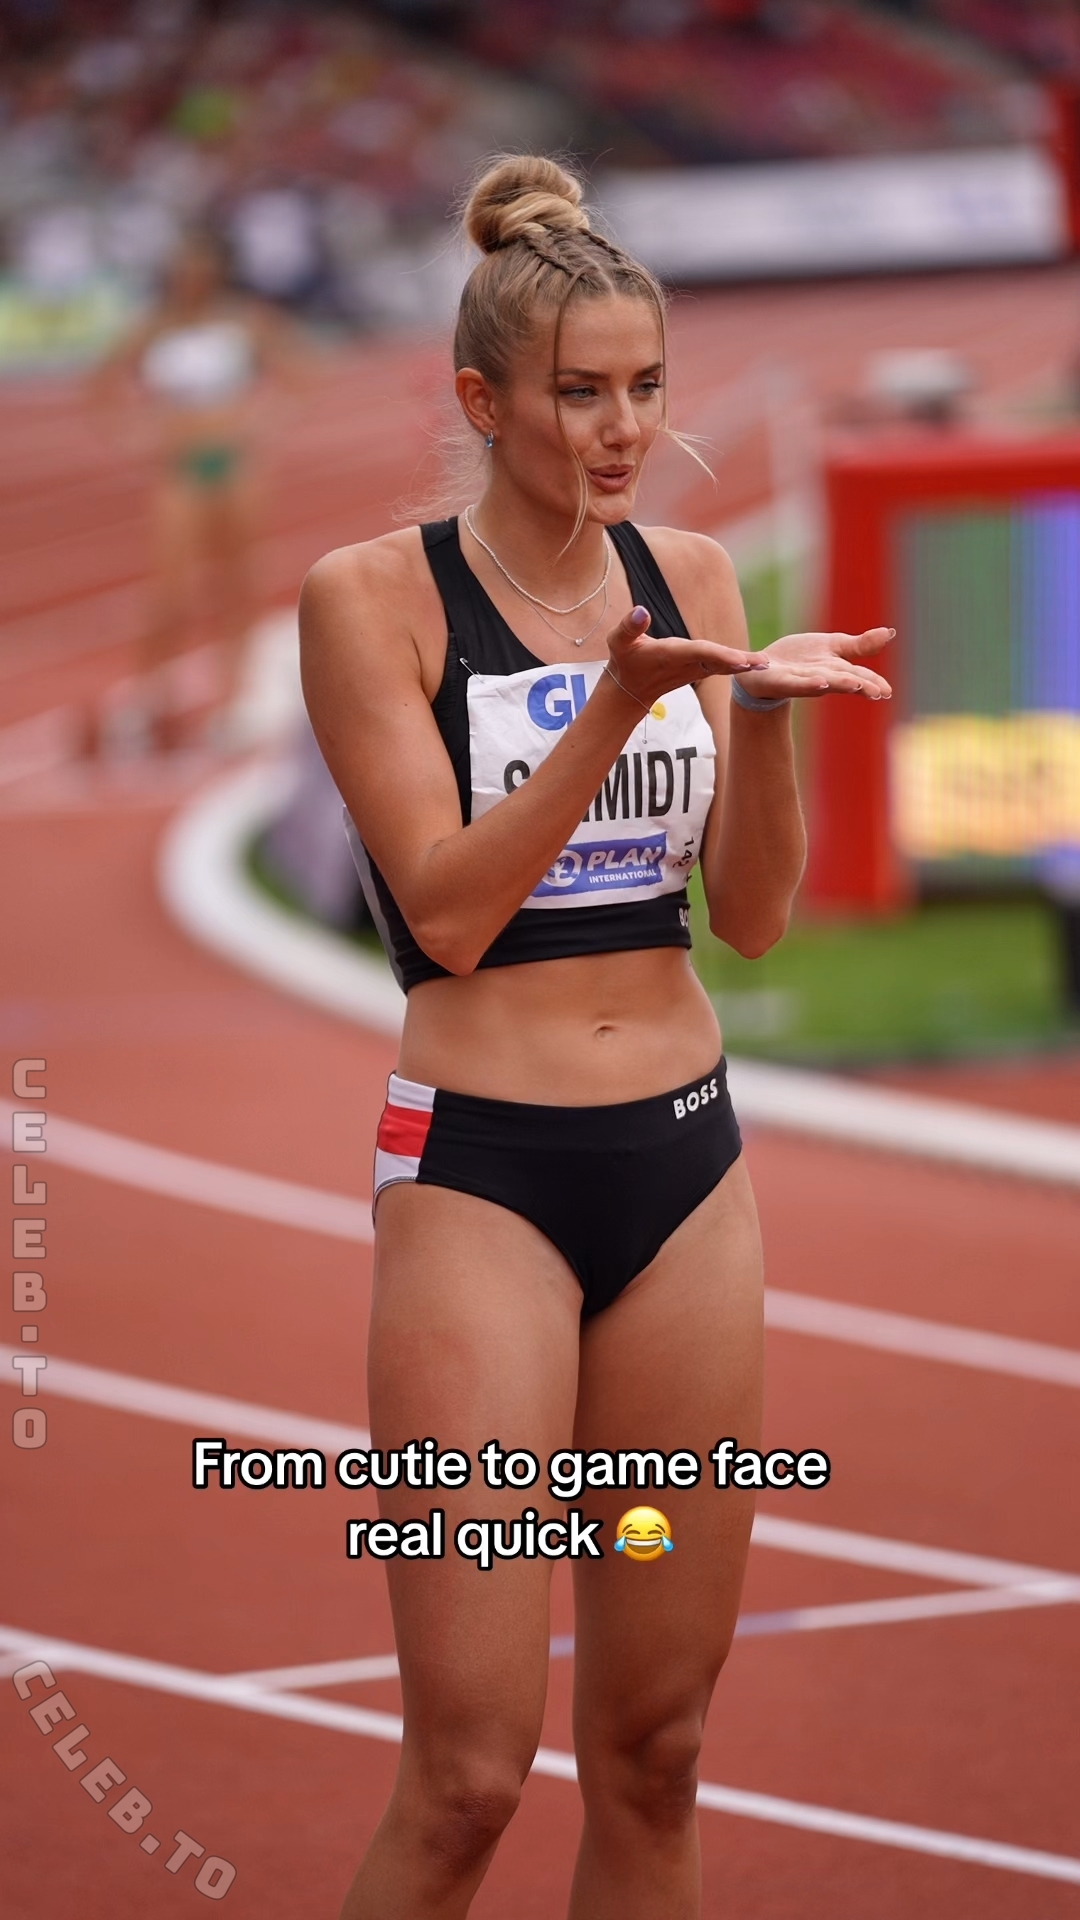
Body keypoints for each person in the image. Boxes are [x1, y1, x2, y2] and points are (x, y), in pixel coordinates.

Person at [299, 155, 891, 1920]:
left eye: (645, 387)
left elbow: (755, 918)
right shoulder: (373, 598)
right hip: (482, 1177)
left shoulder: (690, 568)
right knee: (469, 1777)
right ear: (483, 401)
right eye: (579, 393)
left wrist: (759, 718)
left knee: (658, 1754)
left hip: (685, 1170)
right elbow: (448, 913)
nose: (624, 430)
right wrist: (616, 706)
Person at [94, 228, 302, 752]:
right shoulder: (155, 326)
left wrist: (263, 422)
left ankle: (235, 701)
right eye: (184, 270)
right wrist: (135, 434)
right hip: (182, 468)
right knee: (171, 590)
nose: (192, 279)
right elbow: (100, 385)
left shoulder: (243, 321)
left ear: (215, 272)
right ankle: (150, 700)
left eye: (200, 269)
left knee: (237, 585)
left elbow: (302, 370)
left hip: (233, 465)